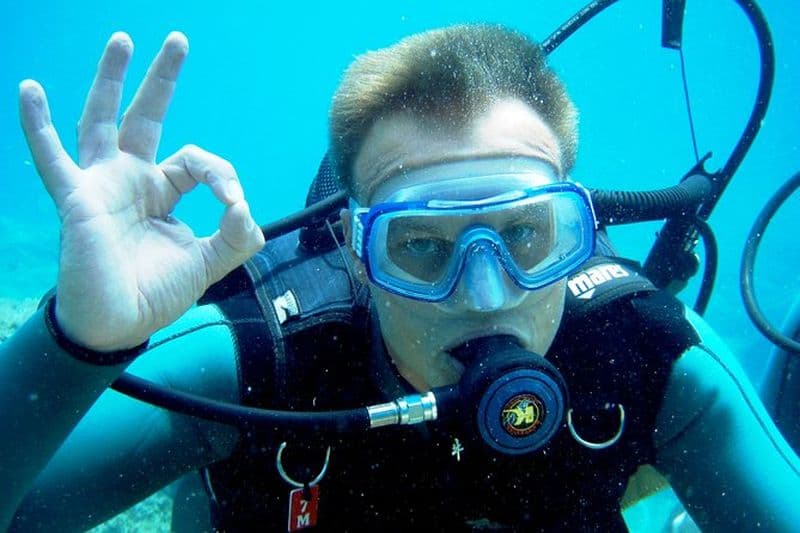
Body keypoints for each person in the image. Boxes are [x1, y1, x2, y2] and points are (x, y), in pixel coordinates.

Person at [1, 24, 799, 532]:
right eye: (420, 245)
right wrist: (77, 340)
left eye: (525, 234)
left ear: (577, 232)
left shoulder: (648, 354)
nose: (486, 292)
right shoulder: (262, 362)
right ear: (354, 249)